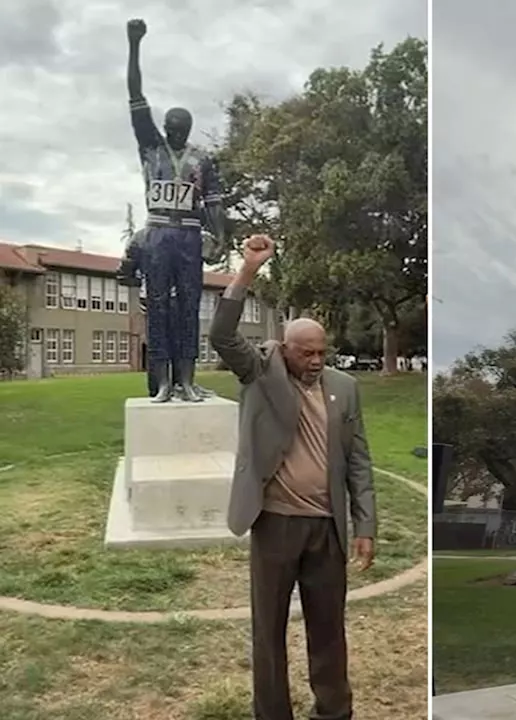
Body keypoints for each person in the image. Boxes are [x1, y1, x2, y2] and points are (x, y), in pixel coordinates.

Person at [210, 233, 377, 720]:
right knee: (270, 630)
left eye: (323, 352)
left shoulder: (344, 388)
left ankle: (333, 712)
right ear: (286, 349)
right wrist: (248, 270)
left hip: (327, 527)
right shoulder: (260, 371)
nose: (317, 361)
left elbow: (359, 461)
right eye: (308, 353)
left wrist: (364, 525)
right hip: (276, 524)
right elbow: (222, 335)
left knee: (329, 628)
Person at [121, 18, 227, 403]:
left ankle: (186, 379)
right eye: (170, 127)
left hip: (189, 237)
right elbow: (134, 91)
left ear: (189, 129)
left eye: (180, 129)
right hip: (158, 234)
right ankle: (162, 380)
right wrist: (134, 45)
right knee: (159, 306)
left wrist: (222, 239)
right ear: (164, 126)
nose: (174, 133)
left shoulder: (203, 159)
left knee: (189, 307)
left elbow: (214, 202)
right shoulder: (150, 146)